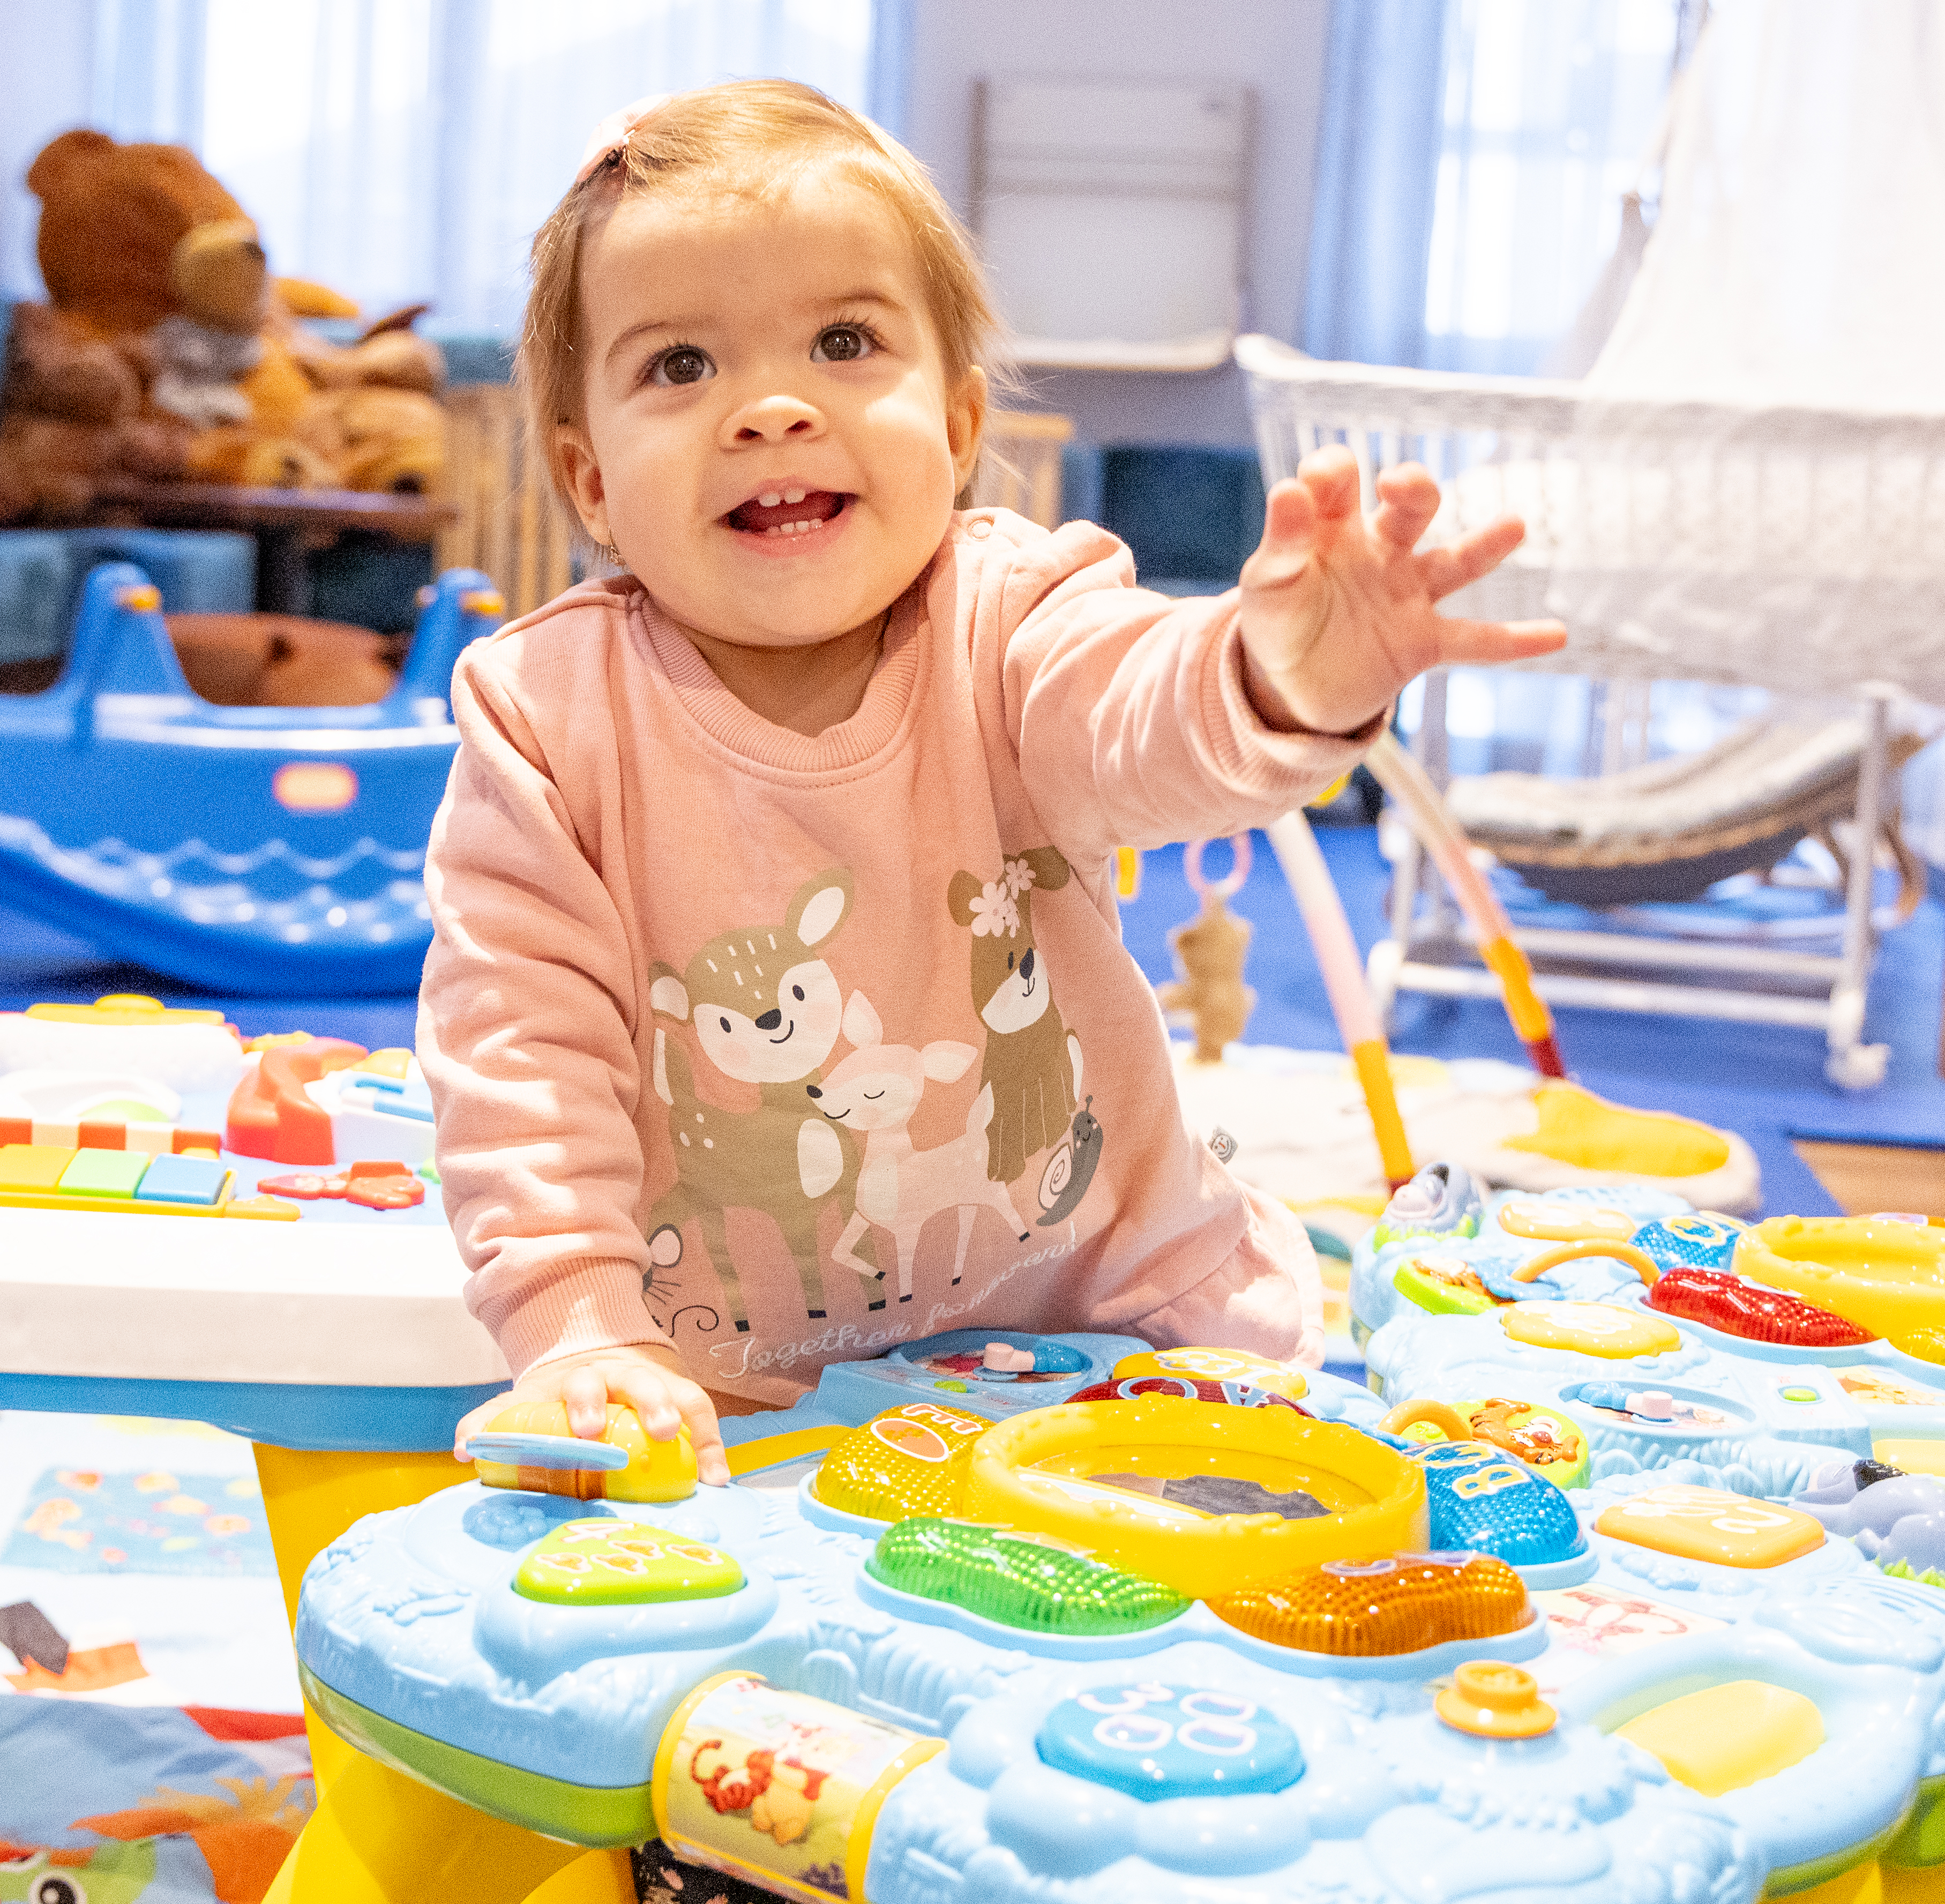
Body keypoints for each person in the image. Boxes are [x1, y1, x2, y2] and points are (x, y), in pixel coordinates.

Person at [424, 80, 1560, 1483]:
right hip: (729, 1383)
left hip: (1116, 1333)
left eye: (843, 342)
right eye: (680, 366)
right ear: (589, 482)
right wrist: (579, 1327)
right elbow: (517, 1046)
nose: (771, 409)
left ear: (959, 428)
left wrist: (1281, 678)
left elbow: (1147, 722)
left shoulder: (1016, 616)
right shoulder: (542, 715)